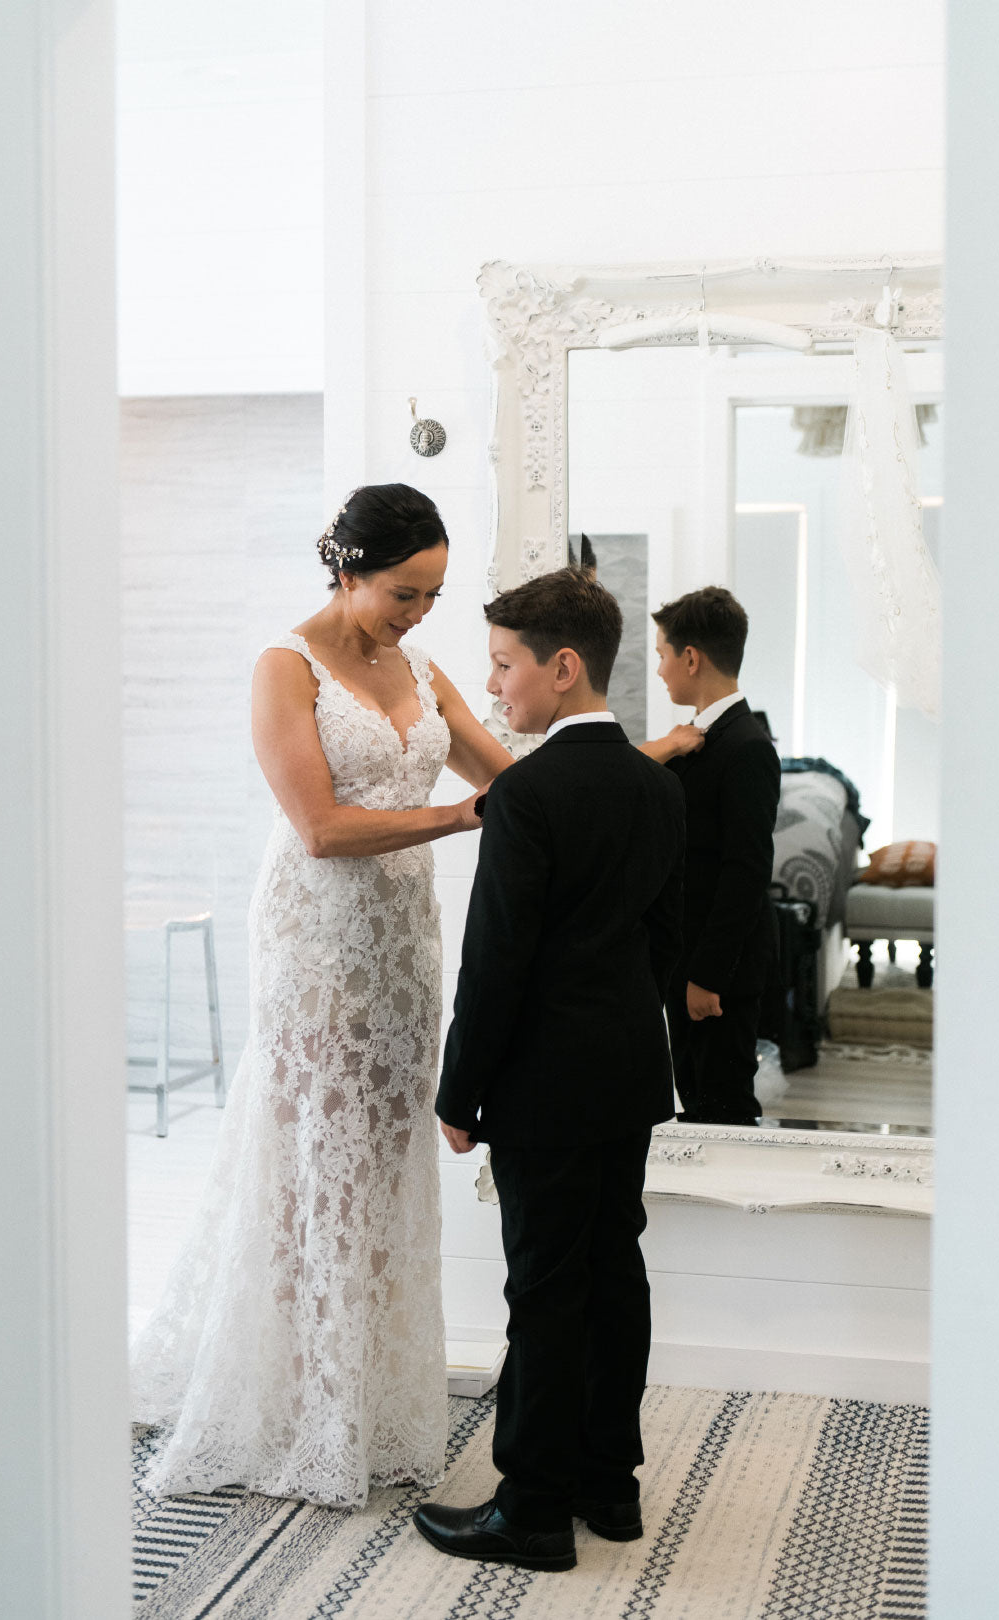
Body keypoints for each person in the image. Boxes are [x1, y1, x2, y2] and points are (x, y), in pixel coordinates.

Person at [130, 483, 513, 1506]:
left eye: (432, 594)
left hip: (404, 947)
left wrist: (627, 766)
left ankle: (377, 1397)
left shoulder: (422, 668)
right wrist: (458, 818)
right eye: (403, 592)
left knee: (384, 1165)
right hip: (317, 942)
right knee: (314, 1166)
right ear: (345, 570)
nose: (419, 613)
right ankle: (306, 1403)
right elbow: (322, 829)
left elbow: (507, 775)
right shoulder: (282, 667)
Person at [413, 567, 687, 1572]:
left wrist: (459, 1088)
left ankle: (529, 1510)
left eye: (503, 666)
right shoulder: (659, 786)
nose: (494, 689)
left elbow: (497, 963)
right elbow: (664, 943)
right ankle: (609, 1488)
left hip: (544, 1083)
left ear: (562, 668)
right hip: (625, 1073)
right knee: (614, 1275)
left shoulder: (526, 795)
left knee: (544, 1289)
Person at [640, 585, 780, 1127]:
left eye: (661, 655)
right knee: (696, 1099)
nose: (659, 670)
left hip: (717, 968)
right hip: (688, 957)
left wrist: (708, 976)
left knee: (724, 1108)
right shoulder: (694, 737)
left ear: (691, 658)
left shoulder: (746, 747)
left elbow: (745, 871)